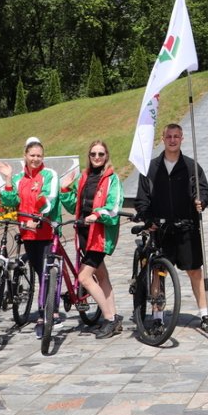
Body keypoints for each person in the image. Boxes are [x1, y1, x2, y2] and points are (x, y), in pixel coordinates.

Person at [135, 123, 208, 332]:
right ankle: (158, 316)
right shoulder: (151, 168)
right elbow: (142, 200)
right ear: (163, 139)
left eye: (176, 136)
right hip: (161, 230)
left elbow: (203, 190)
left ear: (182, 139)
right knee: (158, 272)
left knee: (195, 272)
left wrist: (202, 201)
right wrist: (148, 219)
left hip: (187, 227)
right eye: (169, 136)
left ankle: (205, 315)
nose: (173, 140)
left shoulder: (191, 166)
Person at [0, 137, 62, 338]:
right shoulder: (18, 179)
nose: (35, 159)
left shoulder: (49, 174)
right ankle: (45, 308)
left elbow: (50, 198)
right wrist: (7, 179)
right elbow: (9, 201)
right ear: (25, 155)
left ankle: (48, 312)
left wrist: (39, 219)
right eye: (32, 155)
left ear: (43, 157)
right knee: (38, 270)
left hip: (47, 231)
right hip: (28, 233)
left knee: (48, 273)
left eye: (39, 155)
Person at [60, 140, 124, 338]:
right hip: (84, 234)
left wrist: (97, 215)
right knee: (102, 276)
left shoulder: (112, 179)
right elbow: (75, 207)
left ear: (106, 156)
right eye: (93, 154)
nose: (97, 157)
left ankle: (109, 319)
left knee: (84, 277)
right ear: (89, 156)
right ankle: (114, 316)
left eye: (101, 154)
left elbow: (114, 207)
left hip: (100, 235)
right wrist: (64, 190)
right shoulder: (84, 177)